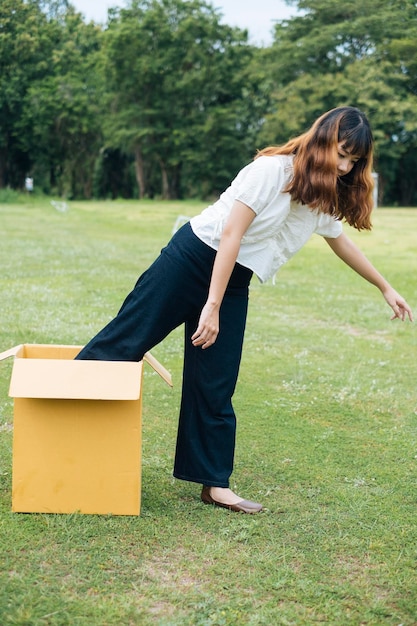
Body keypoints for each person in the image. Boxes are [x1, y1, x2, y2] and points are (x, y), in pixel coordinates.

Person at [76, 106, 413, 514]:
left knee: (216, 380)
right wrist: (210, 306)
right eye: (341, 153)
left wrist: (385, 286)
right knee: (125, 342)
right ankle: (61, 432)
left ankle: (214, 484)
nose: (344, 166)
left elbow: (339, 240)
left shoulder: (321, 191)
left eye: (354, 160)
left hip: (234, 280)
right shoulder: (270, 171)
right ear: (322, 139)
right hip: (191, 260)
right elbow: (231, 234)